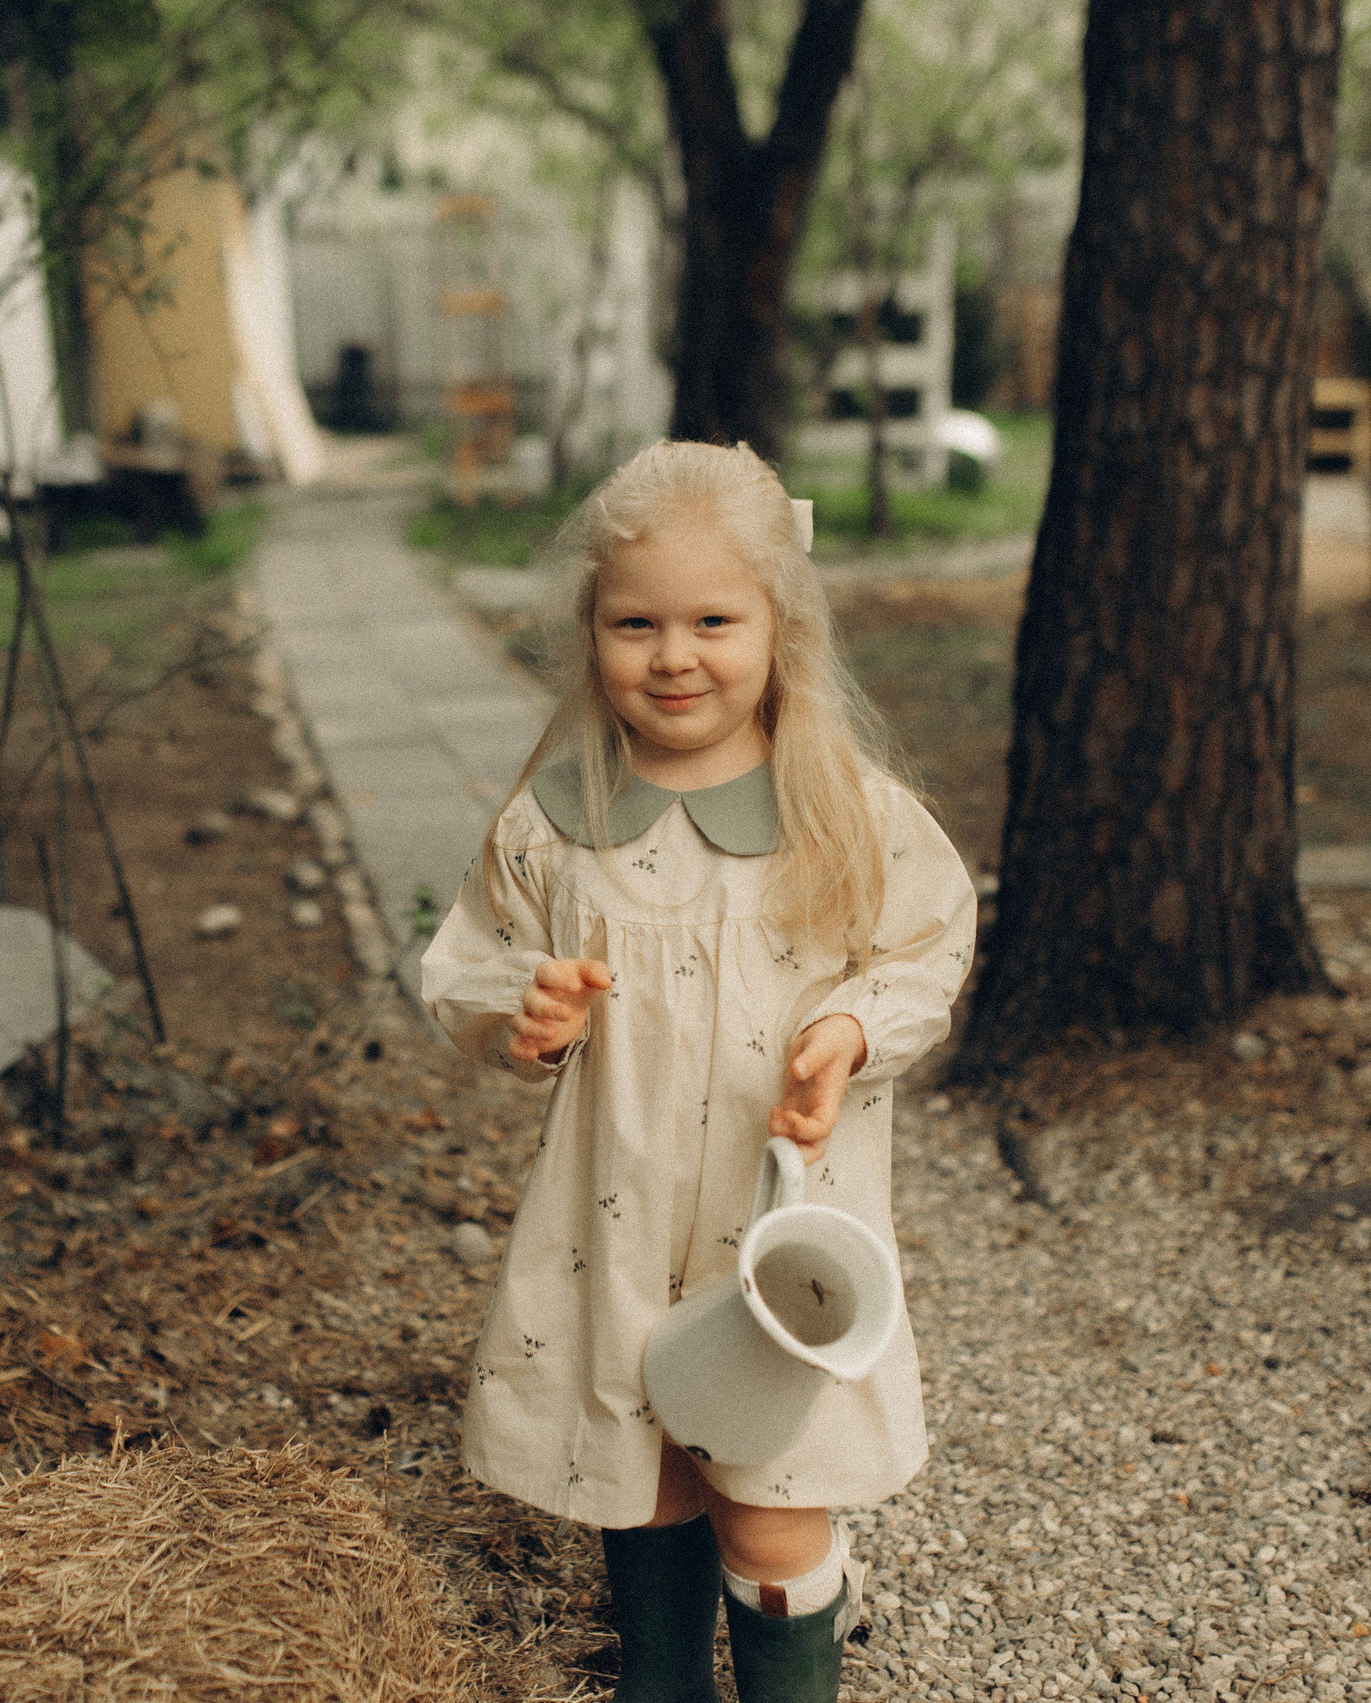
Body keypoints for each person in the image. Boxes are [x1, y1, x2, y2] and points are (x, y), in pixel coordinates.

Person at [419, 441, 978, 1703]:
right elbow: (467, 960)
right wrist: (529, 1003)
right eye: (636, 623)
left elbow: (924, 943)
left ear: (781, 624)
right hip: (612, 1218)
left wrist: (847, 1033)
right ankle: (658, 1684)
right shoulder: (553, 821)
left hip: (775, 1221)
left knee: (769, 1502)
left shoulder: (841, 804)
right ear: (590, 633)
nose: (674, 655)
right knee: (647, 1476)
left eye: (712, 619)